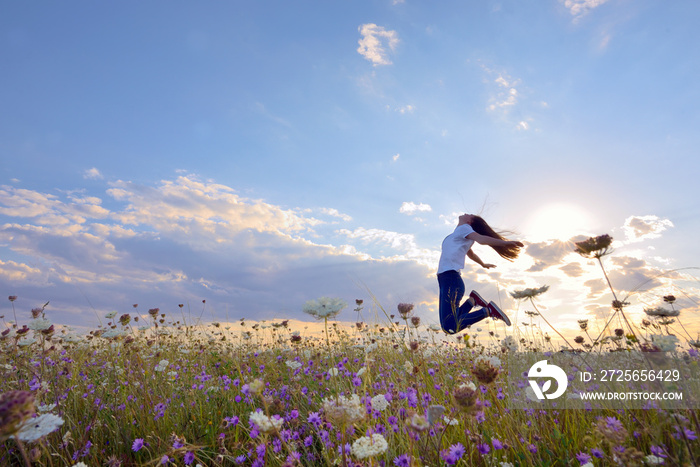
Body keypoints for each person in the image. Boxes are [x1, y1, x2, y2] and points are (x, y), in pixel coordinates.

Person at [437, 213, 523, 334]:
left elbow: (482, 240)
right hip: (445, 279)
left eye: (470, 214)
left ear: (469, 221)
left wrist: (504, 243)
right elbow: (471, 254)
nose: (466, 213)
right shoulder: (458, 234)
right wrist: (483, 264)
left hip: (451, 278)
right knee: (450, 323)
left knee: (449, 326)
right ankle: (472, 301)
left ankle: (488, 310)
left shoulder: (464, 228)